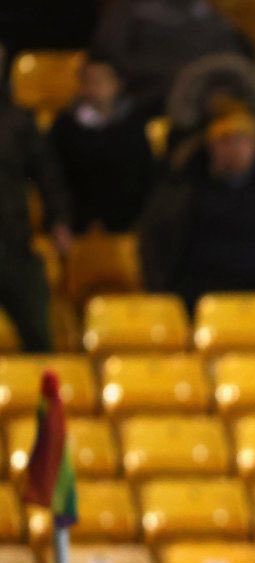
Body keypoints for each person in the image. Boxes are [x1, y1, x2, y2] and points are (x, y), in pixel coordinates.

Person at [138, 101, 255, 364]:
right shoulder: (180, 193)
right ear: (210, 145)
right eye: (225, 140)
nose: (235, 149)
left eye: (243, 139)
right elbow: (158, 258)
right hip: (201, 307)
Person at [0, 45, 70, 352]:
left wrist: (59, 219)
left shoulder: (17, 120)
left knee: (39, 339)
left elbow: (47, 174)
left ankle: (44, 402)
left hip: (12, 244)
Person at [48, 54, 154, 234]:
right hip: (77, 226)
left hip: (125, 225)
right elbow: (55, 178)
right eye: (88, 81)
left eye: (100, 81)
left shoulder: (133, 123)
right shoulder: (65, 125)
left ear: (117, 83)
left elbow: (144, 176)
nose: (93, 88)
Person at [90, 0, 250, 114]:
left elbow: (232, 54)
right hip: (147, 98)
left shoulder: (208, 13)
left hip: (206, 100)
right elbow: (108, 52)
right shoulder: (129, 8)